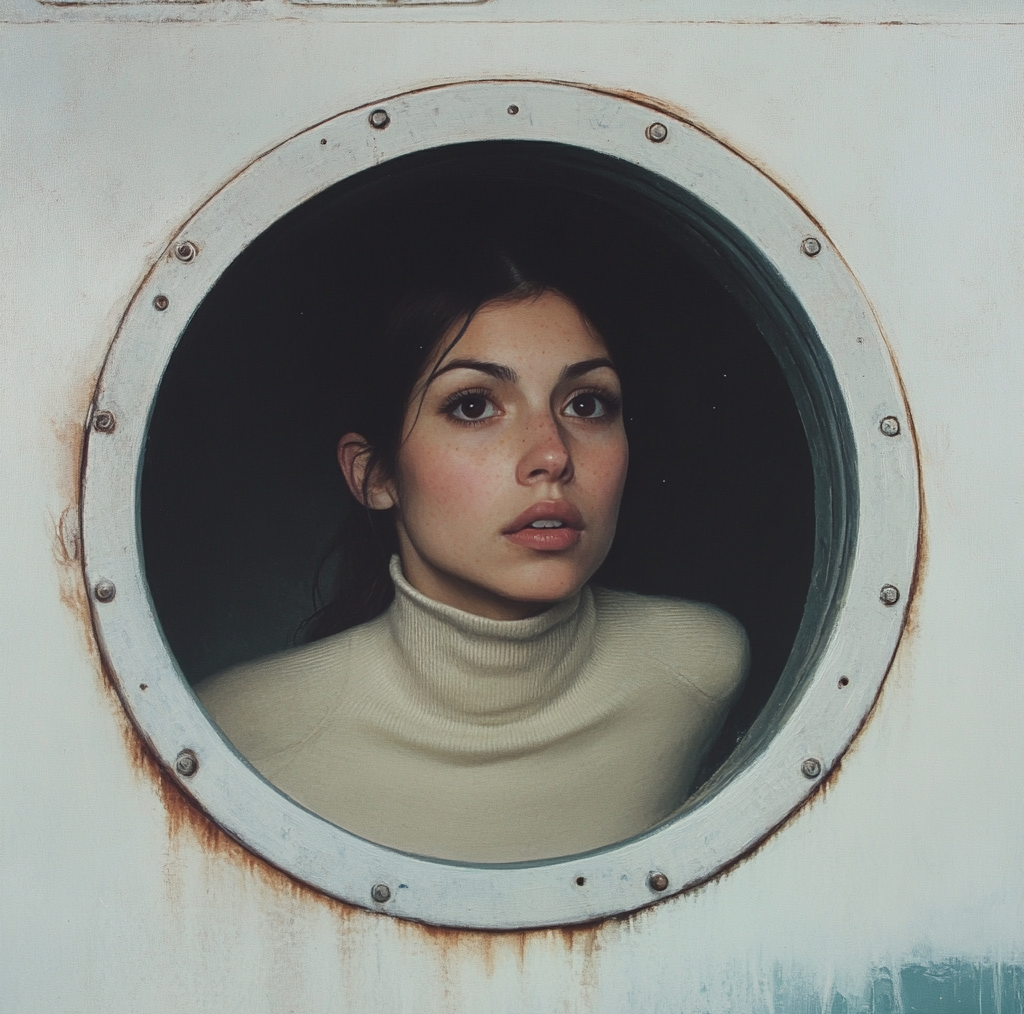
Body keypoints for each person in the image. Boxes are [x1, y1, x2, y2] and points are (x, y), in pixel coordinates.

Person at [196, 247, 749, 863]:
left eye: (587, 404)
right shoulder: (232, 729)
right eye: (473, 406)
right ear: (374, 475)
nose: (552, 454)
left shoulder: (699, 667)